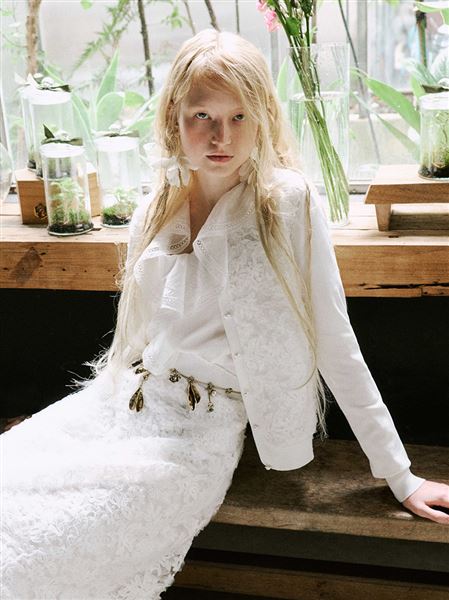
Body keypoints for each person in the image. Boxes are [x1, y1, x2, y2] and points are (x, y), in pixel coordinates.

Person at [2, 29, 448, 600]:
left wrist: (400, 474)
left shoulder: (287, 203)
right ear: (174, 118)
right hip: (121, 407)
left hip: (196, 438)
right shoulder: (155, 204)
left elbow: (337, 343)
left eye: (239, 117)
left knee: (47, 543)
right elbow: (135, 341)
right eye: (203, 116)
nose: (222, 136)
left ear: (262, 118)